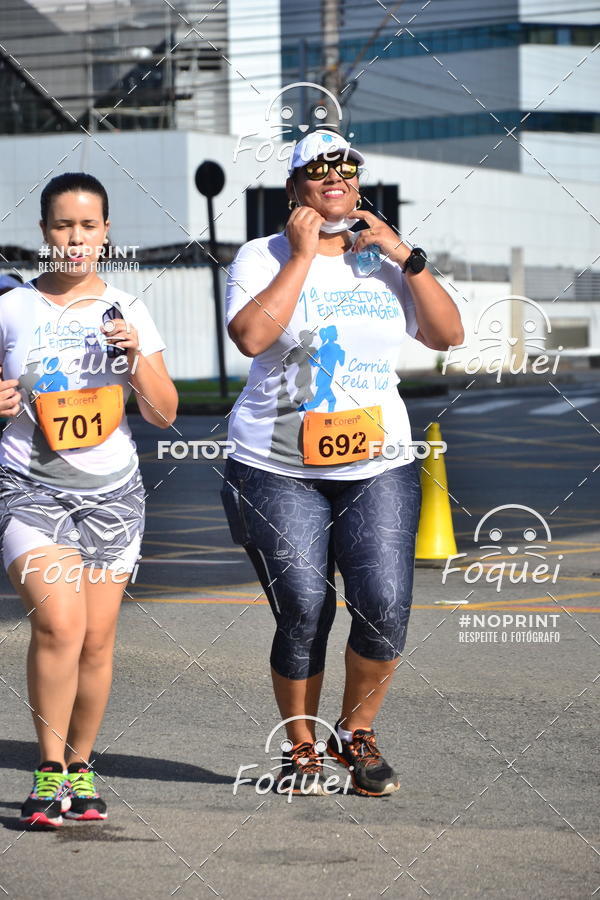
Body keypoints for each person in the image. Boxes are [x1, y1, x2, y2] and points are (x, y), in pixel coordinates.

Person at [221, 129, 463, 797]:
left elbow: (448, 336)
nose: (336, 177)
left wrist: (404, 255)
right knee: (302, 607)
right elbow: (250, 337)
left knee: (385, 605)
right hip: (275, 466)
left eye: (347, 168)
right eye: (319, 169)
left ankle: (355, 734)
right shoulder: (259, 255)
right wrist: (300, 257)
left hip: (377, 461)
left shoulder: (380, 263)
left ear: (357, 185)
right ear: (295, 187)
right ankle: (300, 747)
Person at [0, 172, 178, 826]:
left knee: (98, 640)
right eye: (61, 226)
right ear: (43, 232)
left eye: (88, 227)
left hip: (112, 497)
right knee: (60, 625)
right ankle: (48, 772)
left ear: (106, 233)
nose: (74, 240)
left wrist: (134, 361)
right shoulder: (12, 309)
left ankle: (81, 765)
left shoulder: (128, 310)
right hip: (29, 488)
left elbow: (163, 414)